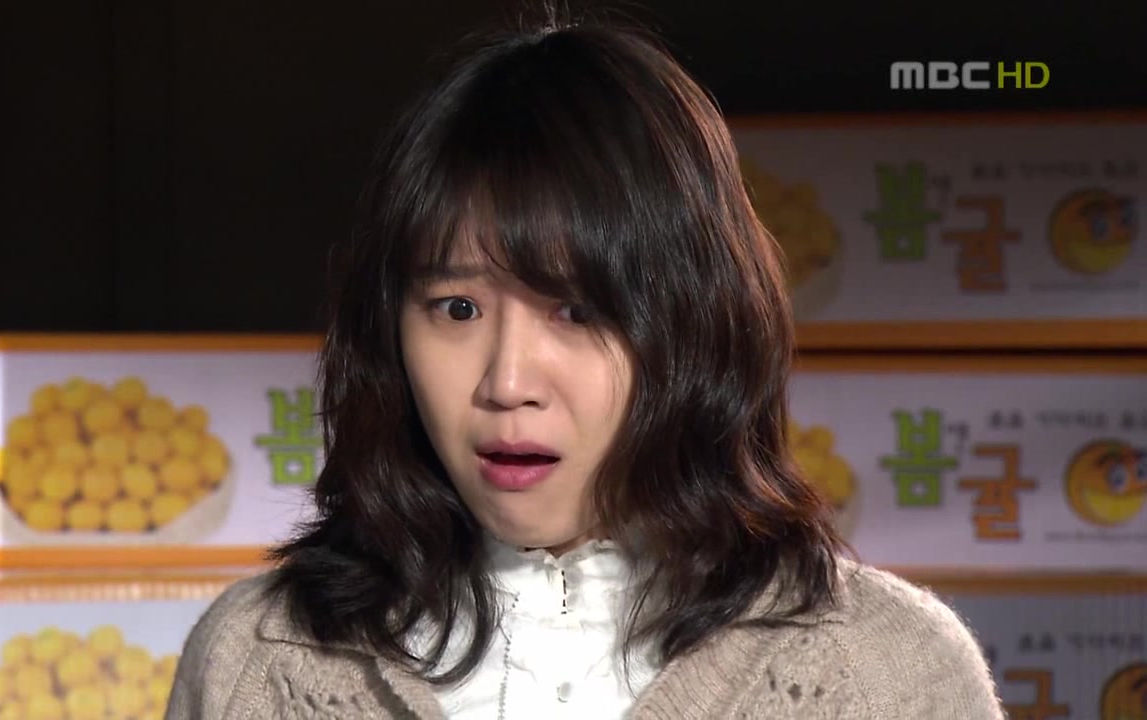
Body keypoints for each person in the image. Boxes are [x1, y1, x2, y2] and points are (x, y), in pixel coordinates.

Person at [167, 7, 1004, 719]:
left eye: (577, 311)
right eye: (457, 309)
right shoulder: (254, 660)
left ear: (693, 326)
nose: (507, 384)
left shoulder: (891, 676)